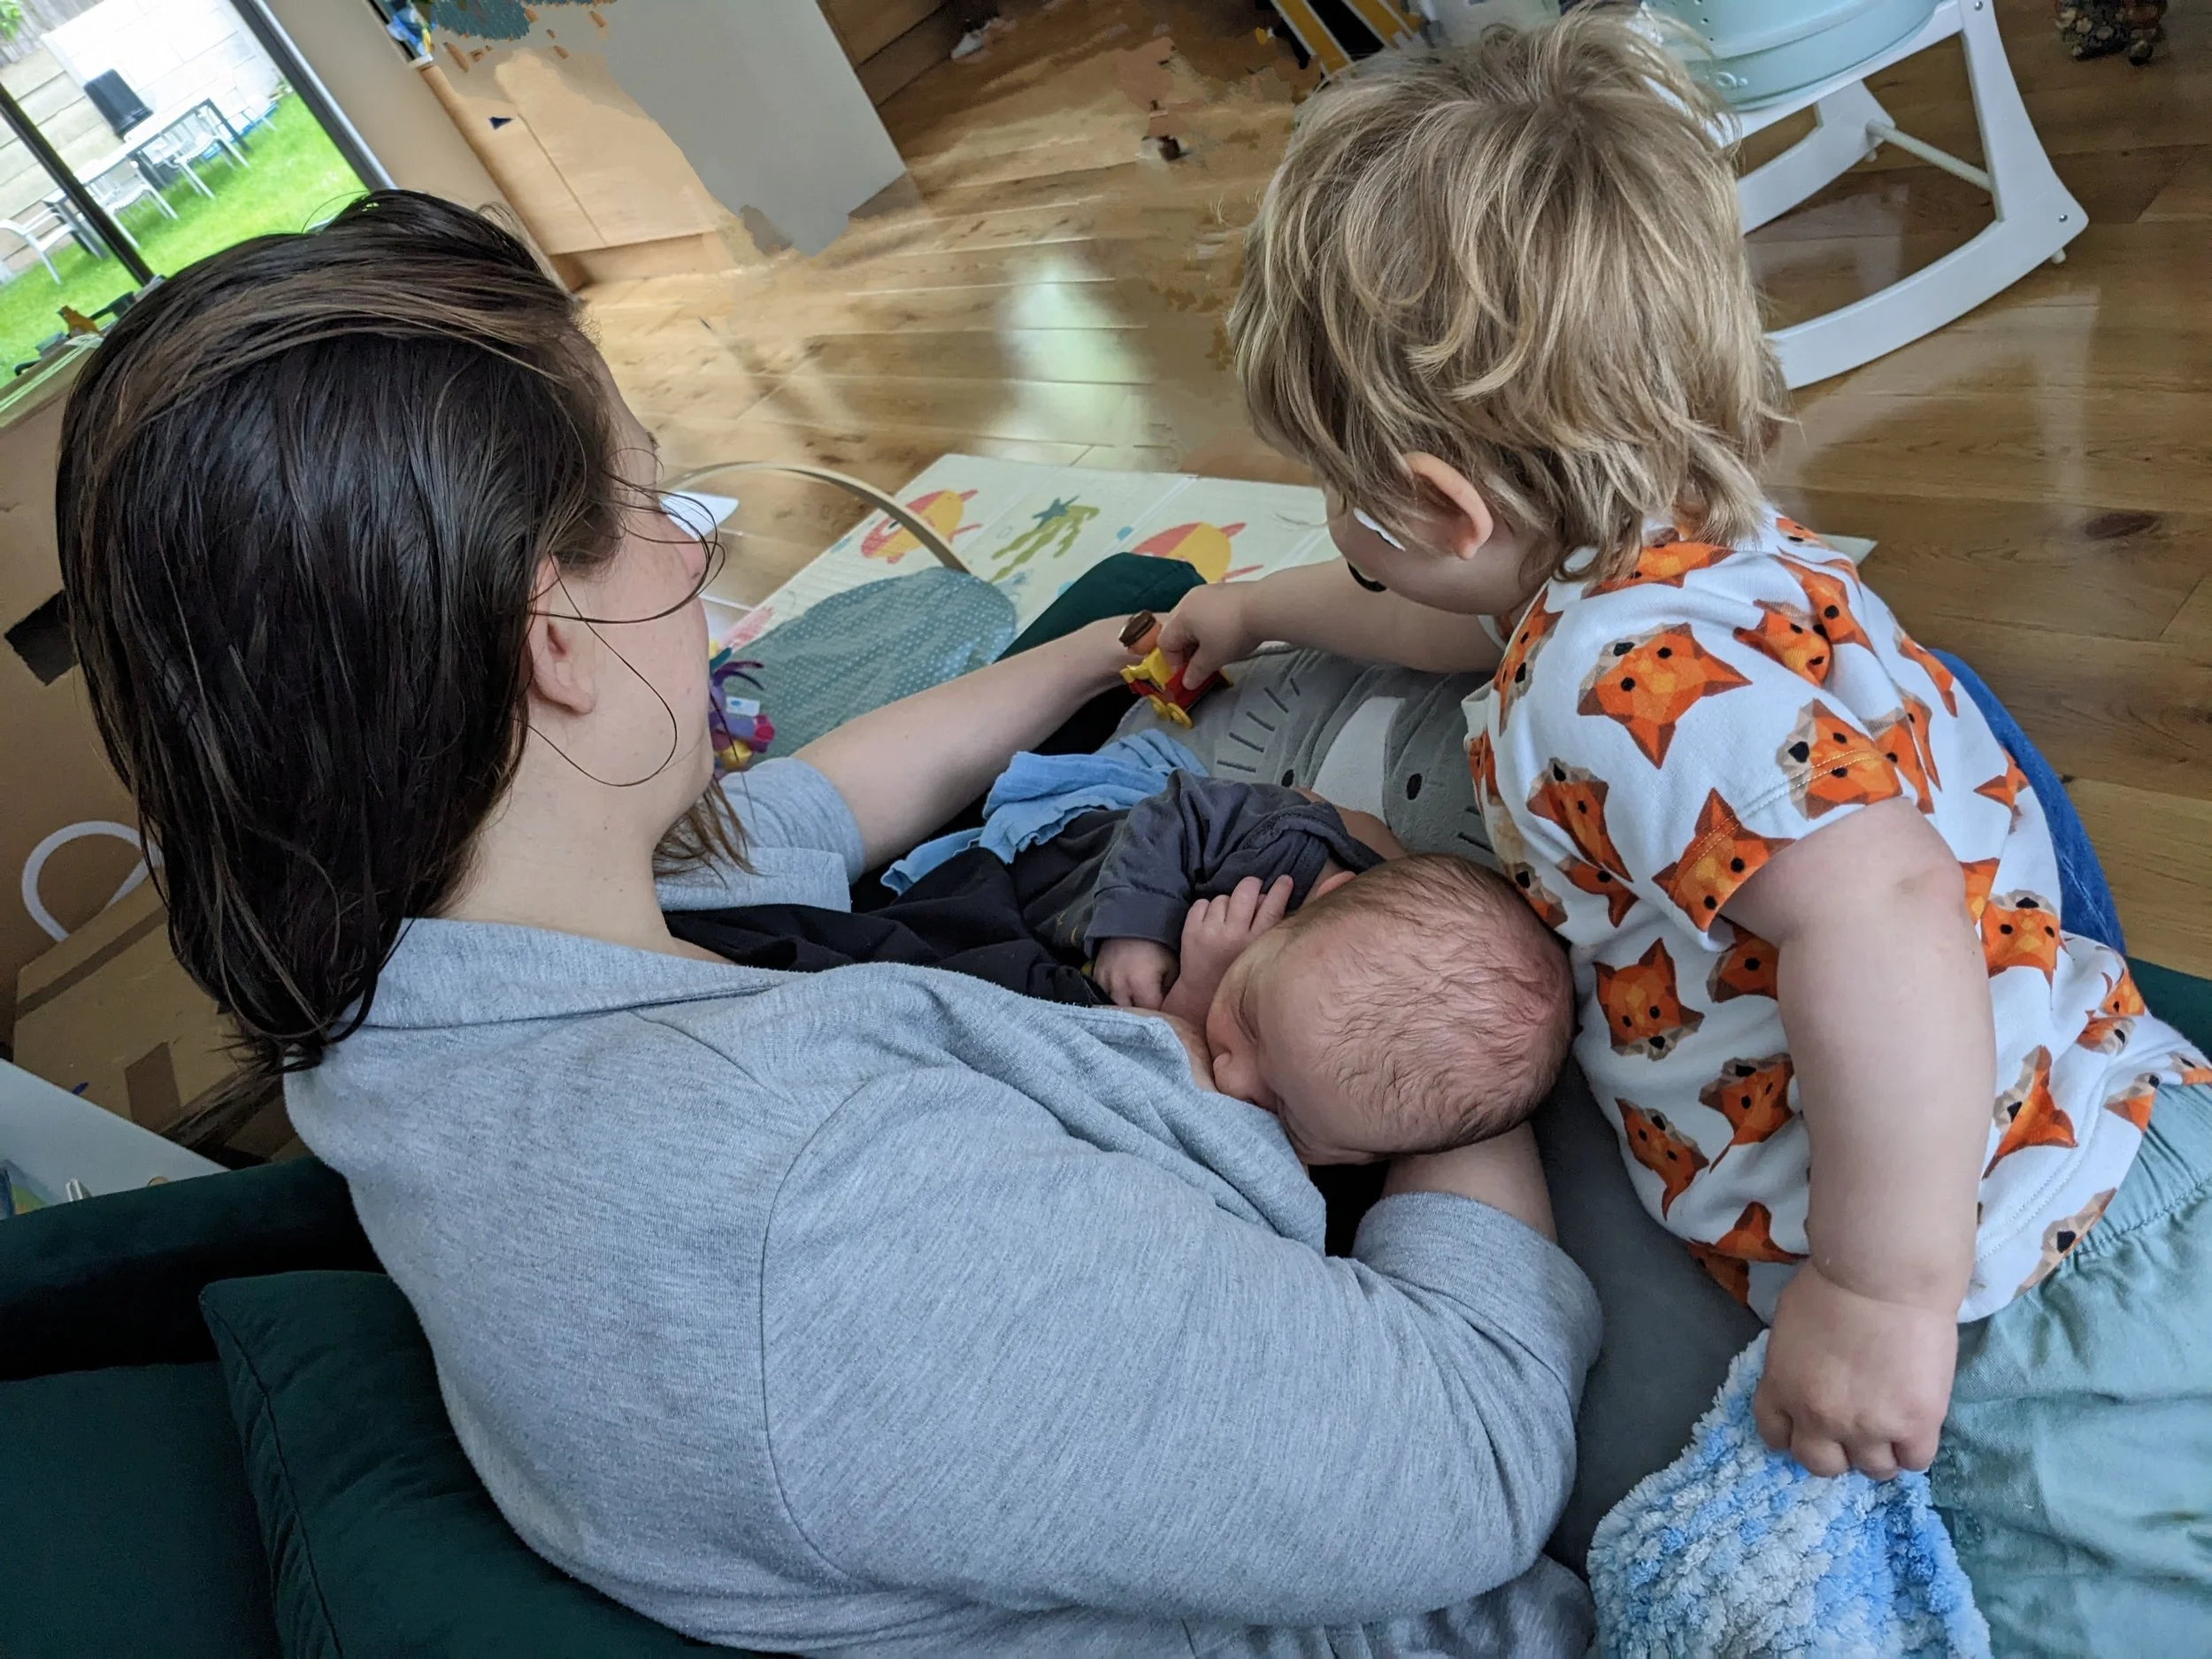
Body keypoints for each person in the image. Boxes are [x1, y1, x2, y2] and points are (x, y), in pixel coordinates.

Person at [55, 191, 1601, 1657]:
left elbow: (804, 811)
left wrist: (1080, 657)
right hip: (1465, 1457)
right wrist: (1441, 950)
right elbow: (1471, 1451)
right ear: (556, 644)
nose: (687, 554)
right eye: (656, 508)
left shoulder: (451, 970)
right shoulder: (814, 1221)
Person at [1154, 11, 2212, 1652]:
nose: (1347, 549)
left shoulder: (1593, 681)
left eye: (1340, 509)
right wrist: (1246, 604)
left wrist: (1880, 1294)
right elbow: (1452, 624)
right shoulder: (1670, 543)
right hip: (2096, 1140)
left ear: (1439, 507)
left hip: (2008, 1257)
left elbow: (1881, 907)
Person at [1011, 765, 1575, 1164]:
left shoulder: (1354, 1119)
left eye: (1281, 1114)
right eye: (1251, 1019)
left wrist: (1201, 992)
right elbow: (1178, 812)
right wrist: (1137, 928)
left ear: (1361, 1158)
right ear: (1327, 897)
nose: (1231, 1080)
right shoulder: (1282, 851)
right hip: (1071, 877)